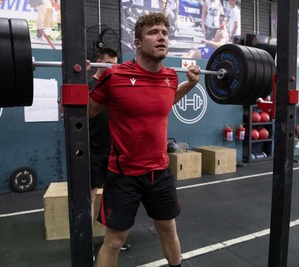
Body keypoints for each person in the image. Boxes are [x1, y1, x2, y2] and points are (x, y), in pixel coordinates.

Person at [89, 12, 201, 267]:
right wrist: (80, 82)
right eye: (153, 32)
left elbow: (165, 102)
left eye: (164, 33)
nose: (161, 37)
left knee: (168, 229)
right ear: (138, 42)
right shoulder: (115, 76)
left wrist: (189, 85)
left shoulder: (170, 77)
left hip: (159, 173)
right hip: (123, 174)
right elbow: (87, 111)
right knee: (115, 241)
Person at [87, 48, 131, 259]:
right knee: (91, 197)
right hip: (91, 150)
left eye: (115, 64)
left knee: (116, 196)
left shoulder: (115, 85)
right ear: (98, 63)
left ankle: (113, 239)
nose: (112, 68)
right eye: (108, 64)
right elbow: (65, 112)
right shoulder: (87, 84)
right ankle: (84, 243)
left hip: (114, 149)